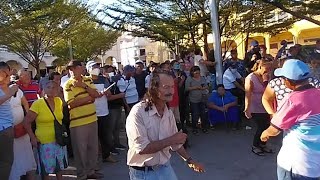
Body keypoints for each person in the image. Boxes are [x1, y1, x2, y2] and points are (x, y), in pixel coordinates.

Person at [126, 71, 205, 180]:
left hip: (165, 168)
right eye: (166, 87)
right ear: (154, 89)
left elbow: (176, 144)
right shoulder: (138, 112)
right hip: (144, 173)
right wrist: (173, 139)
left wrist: (190, 161)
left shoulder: (168, 113)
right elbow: (143, 148)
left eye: (172, 87)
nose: (171, 91)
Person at [261, 59, 320, 180]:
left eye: (283, 78)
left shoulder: (292, 100)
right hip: (315, 165)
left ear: (289, 81)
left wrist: (265, 134)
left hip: (295, 164)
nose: (282, 81)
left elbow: (275, 130)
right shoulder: (318, 93)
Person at [63, 60, 103, 179]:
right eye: (70, 69)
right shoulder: (68, 84)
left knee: (93, 148)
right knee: (80, 150)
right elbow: (71, 104)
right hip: (78, 122)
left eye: (74, 68)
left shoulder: (87, 80)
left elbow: (96, 95)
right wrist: (89, 97)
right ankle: (82, 174)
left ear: (81, 68)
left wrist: (84, 87)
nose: (72, 71)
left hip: (92, 119)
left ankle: (91, 171)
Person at [24, 80, 67, 180]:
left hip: (58, 139)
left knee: (59, 167)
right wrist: (33, 138)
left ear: (57, 90)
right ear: (44, 89)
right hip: (44, 141)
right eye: (48, 87)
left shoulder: (59, 101)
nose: (51, 90)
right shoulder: (38, 104)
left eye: (54, 88)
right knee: (46, 170)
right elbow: (26, 122)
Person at [86, 61, 119, 163]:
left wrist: (107, 92)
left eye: (97, 67)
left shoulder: (104, 79)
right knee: (93, 137)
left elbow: (109, 94)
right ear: (88, 70)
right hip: (91, 112)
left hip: (104, 111)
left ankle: (106, 155)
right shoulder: (86, 81)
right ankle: (94, 158)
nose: (96, 69)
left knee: (105, 135)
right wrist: (95, 95)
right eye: (93, 67)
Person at [244, 59, 273, 156]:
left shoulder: (266, 76)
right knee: (261, 127)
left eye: (269, 68)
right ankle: (255, 145)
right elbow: (247, 94)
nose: (268, 70)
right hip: (255, 106)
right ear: (260, 66)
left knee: (267, 126)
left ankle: (263, 144)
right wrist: (247, 108)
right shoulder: (251, 78)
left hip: (266, 106)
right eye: (266, 68)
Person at [9, 82, 36, 180]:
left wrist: (27, 119)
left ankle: (27, 173)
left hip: (21, 126)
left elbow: (25, 103)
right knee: (13, 153)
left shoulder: (17, 90)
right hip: (8, 128)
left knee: (25, 151)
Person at [0, 62, 18, 179]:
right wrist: (10, 93)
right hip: (3, 130)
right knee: (5, 162)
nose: (7, 76)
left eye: (8, 73)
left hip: (7, 128)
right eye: (4, 74)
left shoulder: (7, 87)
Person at [103, 65, 126, 155]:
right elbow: (107, 97)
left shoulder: (116, 81)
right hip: (111, 108)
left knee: (117, 127)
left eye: (112, 71)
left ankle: (117, 143)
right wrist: (119, 96)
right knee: (111, 128)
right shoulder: (105, 82)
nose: (111, 73)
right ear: (104, 72)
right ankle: (111, 147)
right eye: (109, 71)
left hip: (118, 106)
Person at [185, 66, 209, 135]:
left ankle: (204, 127)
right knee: (195, 114)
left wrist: (203, 87)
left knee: (203, 113)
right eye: (196, 73)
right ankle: (194, 128)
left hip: (202, 97)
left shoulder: (202, 78)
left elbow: (206, 85)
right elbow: (187, 88)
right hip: (193, 99)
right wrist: (195, 87)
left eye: (198, 73)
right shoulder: (189, 79)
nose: (197, 75)